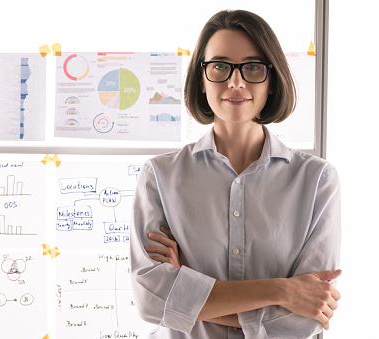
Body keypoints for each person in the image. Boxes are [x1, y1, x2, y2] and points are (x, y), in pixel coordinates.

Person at [129, 9, 341, 339]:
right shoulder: (160, 177)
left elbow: (305, 320)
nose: (236, 81)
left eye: (253, 67)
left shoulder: (317, 181)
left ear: (272, 81)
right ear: (201, 79)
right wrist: (283, 291)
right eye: (220, 66)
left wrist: (188, 290)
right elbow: (152, 301)